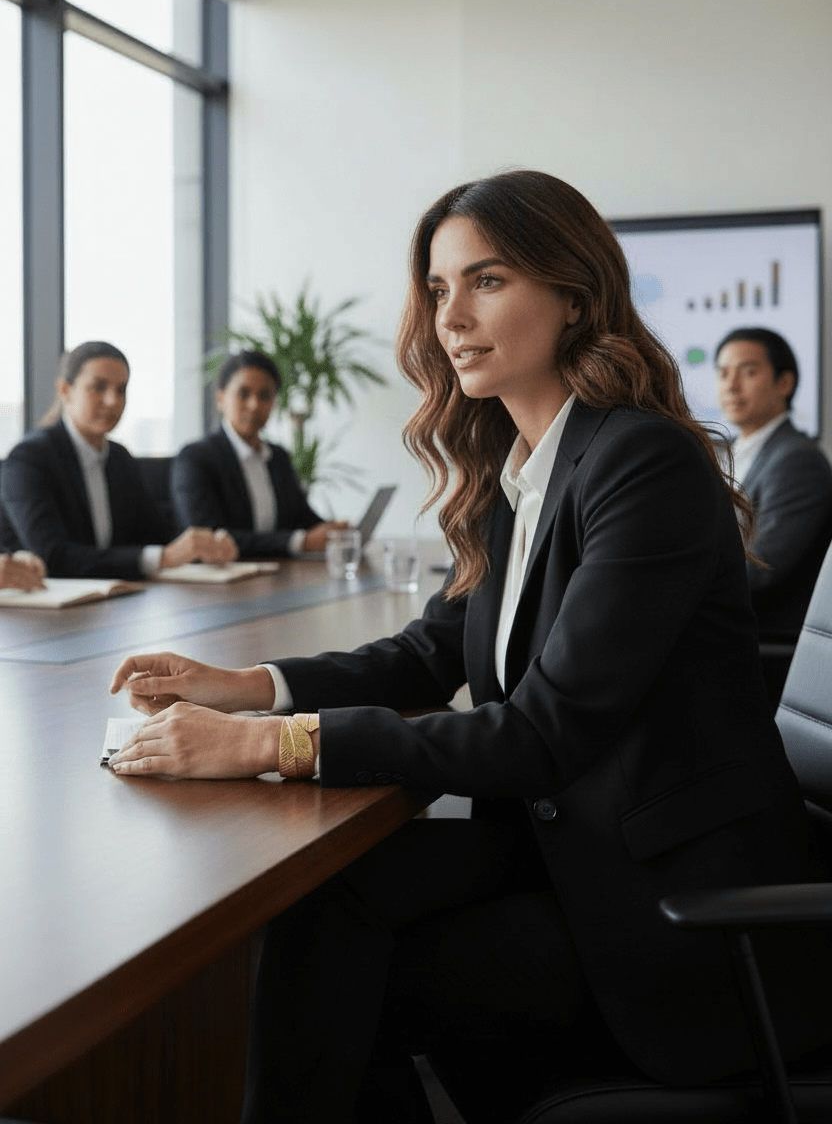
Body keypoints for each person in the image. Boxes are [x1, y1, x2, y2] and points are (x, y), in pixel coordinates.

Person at [108, 172, 830, 1123]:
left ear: (575, 294)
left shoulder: (641, 462)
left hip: (664, 905)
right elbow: (431, 650)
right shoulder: (523, 467)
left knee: (337, 985)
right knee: (325, 908)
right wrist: (248, 686)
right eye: (442, 290)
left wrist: (264, 747)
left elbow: (537, 735)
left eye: (486, 281)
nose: (453, 318)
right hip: (567, 841)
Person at [0, 341, 238, 579]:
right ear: (65, 390)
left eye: (121, 389)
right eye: (98, 387)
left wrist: (203, 546)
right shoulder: (29, 459)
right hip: (45, 609)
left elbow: (155, 535)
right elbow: (53, 556)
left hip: (111, 601)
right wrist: (163, 557)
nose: (113, 400)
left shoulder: (119, 458)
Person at [715, 327, 832, 641]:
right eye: (723, 373)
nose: (731, 385)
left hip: (764, 639)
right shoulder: (726, 453)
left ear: (784, 382)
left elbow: (762, 568)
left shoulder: (797, 461)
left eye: (748, 372)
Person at [170, 350, 347, 557]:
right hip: (221, 582)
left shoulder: (277, 457)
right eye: (243, 394)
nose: (254, 405)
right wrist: (300, 542)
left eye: (265, 395)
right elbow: (208, 538)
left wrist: (334, 532)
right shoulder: (195, 458)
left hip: (278, 576)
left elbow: (303, 518)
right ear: (220, 398)